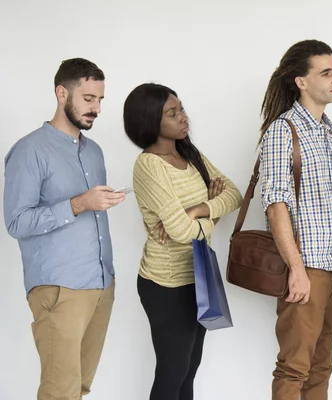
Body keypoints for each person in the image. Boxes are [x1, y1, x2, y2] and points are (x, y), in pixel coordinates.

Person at [4, 58, 123, 400]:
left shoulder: (94, 152)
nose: (96, 108)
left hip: (101, 284)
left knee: (79, 387)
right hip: (60, 289)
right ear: (61, 93)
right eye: (88, 99)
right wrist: (78, 204)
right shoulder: (30, 151)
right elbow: (16, 221)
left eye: (100, 99)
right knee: (60, 392)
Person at [123, 83, 242, 400]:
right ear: (150, 121)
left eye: (181, 108)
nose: (183, 117)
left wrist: (201, 209)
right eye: (171, 113)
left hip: (198, 276)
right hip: (165, 284)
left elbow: (234, 195)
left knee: (189, 369)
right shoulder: (149, 165)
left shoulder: (190, 154)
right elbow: (178, 231)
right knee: (172, 372)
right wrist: (211, 220)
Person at [259, 39, 332, 400]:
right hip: (308, 267)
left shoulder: (329, 136)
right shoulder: (283, 131)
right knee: (294, 368)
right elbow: (276, 205)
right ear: (301, 81)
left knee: (321, 366)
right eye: (325, 72)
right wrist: (296, 268)